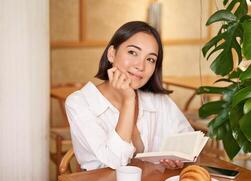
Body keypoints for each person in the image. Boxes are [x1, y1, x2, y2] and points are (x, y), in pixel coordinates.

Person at [65, 21, 194, 172]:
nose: (141, 66)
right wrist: (128, 101)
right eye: (133, 52)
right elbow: (112, 167)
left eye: (150, 59)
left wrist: (179, 157)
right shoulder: (80, 103)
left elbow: (189, 140)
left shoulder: (158, 100)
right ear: (111, 54)